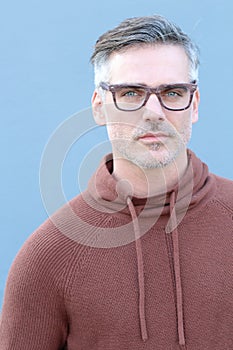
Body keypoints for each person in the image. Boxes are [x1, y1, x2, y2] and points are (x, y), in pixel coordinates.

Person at [0, 14, 233, 350]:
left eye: (172, 91)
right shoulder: (48, 257)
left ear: (193, 104)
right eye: (130, 92)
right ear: (99, 106)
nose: (153, 111)